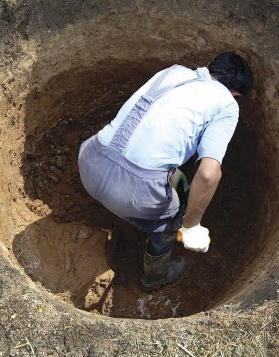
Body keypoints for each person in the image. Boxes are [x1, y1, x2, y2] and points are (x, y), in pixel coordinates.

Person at [78, 51, 253, 291]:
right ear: (235, 93)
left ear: (210, 64)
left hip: (90, 160)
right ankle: (154, 276)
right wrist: (191, 225)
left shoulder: (174, 72)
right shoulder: (227, 104)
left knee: (177, 178)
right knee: (173, 221)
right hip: (135, 193)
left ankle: (115, 207)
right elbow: (208, 174)